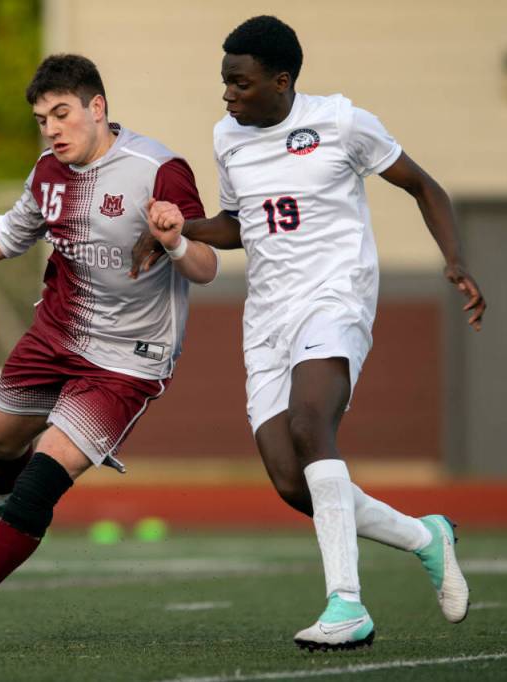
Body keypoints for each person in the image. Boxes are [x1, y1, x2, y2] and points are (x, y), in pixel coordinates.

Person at [135, 16, 486, 651]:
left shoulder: (343, 122)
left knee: (309, 425)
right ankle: (424, 536)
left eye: (239, 83)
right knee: (293, 482)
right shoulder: (227, 138)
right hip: (268, 314)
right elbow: (240, 225)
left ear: (281, 80)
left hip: (337, 296)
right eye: (223, 83)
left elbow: (423, 186)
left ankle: (346, 606)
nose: (227, 95)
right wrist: (175, 234)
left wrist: (454, 260)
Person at [0, 53, 218, 652]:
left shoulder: (159, 169)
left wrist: (173, 241)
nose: (53, 129)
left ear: (98, 108)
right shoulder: (47, 172)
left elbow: (207, 267)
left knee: (41, 485)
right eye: (42, 119)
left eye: (62, 114)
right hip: (56, 335)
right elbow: (8, 233)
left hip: (127, 362)